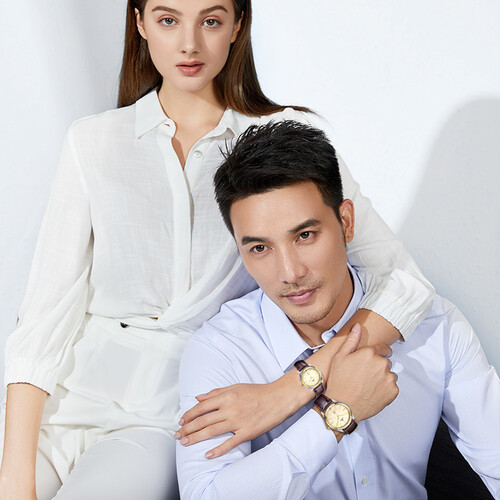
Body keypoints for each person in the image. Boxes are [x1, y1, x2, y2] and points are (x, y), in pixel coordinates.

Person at [0, 1, 434, 499]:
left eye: (210, 21)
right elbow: (44, 314)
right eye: (168, 20)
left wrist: (297, 384)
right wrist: (15, 476)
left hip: (166, 416)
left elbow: (405, 283)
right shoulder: (92, 140)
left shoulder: (280, 140)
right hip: (60, 400)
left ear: (237, 25)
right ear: (139, 22)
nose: (190, 44)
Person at [176, 120, 500, 499]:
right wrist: (334, 416)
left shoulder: (436, 326)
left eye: (305, 235)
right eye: (260, 248)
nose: (290, 273)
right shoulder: (220, 351)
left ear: (346, 222)